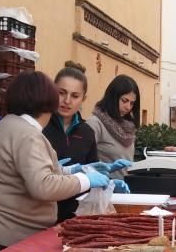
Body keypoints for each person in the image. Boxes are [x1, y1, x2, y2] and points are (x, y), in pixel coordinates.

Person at [0, 71, 118, 252]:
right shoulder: (28, 135)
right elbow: (42, 186)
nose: (65, 101)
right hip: (1, 240)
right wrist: (85, 180)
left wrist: (73, 171)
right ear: (48, 102)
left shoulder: (7, 125)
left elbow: (24, 172)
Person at [42, 63, 130, 224]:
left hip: (76, 217)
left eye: (75, 96)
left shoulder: (87, 132)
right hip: (41, 216)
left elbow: (93, 174)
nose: (67, 101)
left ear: (84, 98)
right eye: (61, 93)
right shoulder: (41, 126)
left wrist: (108, 182)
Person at [86, 74, 141, 175]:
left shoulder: (129, 128)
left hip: (126, 187)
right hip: (104, 187)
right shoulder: (95, 124)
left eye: (132, 103)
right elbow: (85, 163)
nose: (128, 107)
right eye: (124, 101)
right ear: (113, 97)